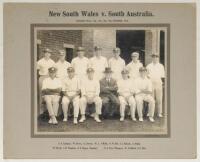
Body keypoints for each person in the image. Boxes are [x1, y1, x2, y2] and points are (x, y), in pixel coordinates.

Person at [37, 48, 55, 114]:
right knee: (41, 93)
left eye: (49, 53)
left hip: (49, 78)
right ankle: (41, 110)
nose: (47, 54)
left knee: (49, 93)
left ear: (50, 54)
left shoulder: (52, 62)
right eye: (46, 52)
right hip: (42, 77)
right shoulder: (40, 61)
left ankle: (48, 109)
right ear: (44, 53)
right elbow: (36, 70)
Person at [146, 53, 165, 117]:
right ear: (152, 58)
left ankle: (159, 113)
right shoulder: (148, 66)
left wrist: (162, 84)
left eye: (156, 57)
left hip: (158, 83)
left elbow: (162, 76)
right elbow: (147, 76)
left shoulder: (161, 66)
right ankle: (149, 112)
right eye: (153, 57)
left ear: (158, 58)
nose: (155, 58)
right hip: (151, 83)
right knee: (151, 98)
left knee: (159, 99)